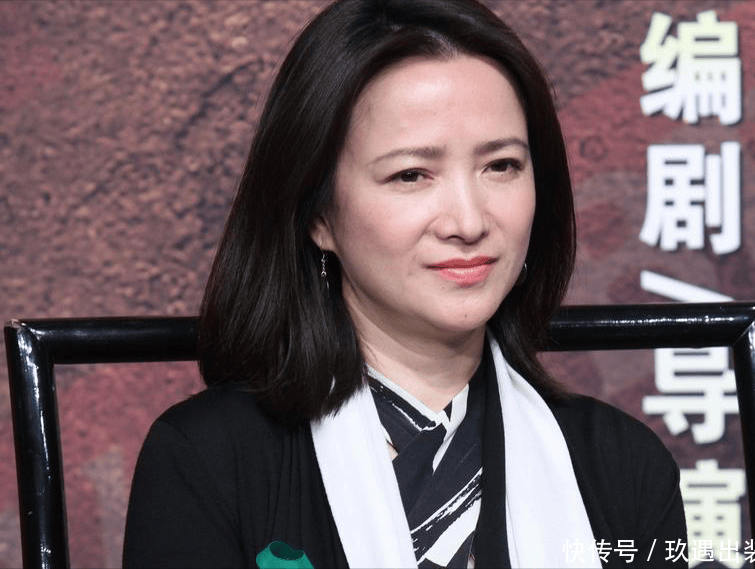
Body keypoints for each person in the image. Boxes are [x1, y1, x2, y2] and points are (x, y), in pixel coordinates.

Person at [123, 0, 687, 567]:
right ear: (317, 214)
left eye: (501, 166)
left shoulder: (622, 465)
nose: (468, 222)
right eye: (411, 174)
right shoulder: (209, 460)